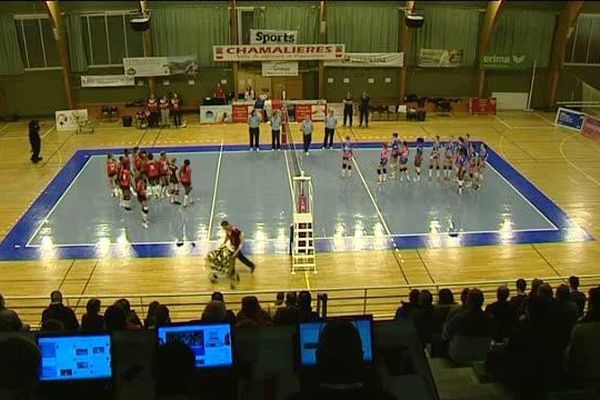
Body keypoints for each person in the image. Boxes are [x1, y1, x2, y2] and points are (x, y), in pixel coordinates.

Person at [565, 287, 600, 388]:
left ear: (591, 305)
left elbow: (570, 360)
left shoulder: (580, 329)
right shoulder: (580, 328)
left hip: (586, 380)